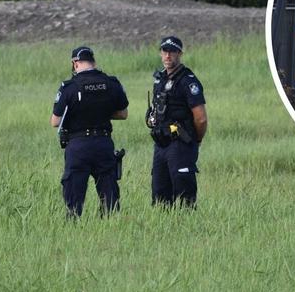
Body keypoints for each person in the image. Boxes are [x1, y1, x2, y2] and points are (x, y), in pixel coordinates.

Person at [51, 46, 129, 218]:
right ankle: (109, 227)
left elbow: (55, 121)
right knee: (109, 194)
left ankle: (74, 227)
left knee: (74, 197)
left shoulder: (69, 87)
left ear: (75, 63)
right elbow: (123, 114)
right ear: (93, 62)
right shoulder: (111, 83)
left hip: (78, 146)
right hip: (103, 143)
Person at [147, 36, 207, 207]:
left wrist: (196, 140)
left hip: (180, 142)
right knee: (159, 194)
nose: (168, 56)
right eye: (165, 51)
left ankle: (187, 226)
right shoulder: (160, 79)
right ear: (160, 53)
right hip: (160, 143)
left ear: (180, 53)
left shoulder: (188, 81)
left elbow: (201, 118)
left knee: (184, 192)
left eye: (172, 52)